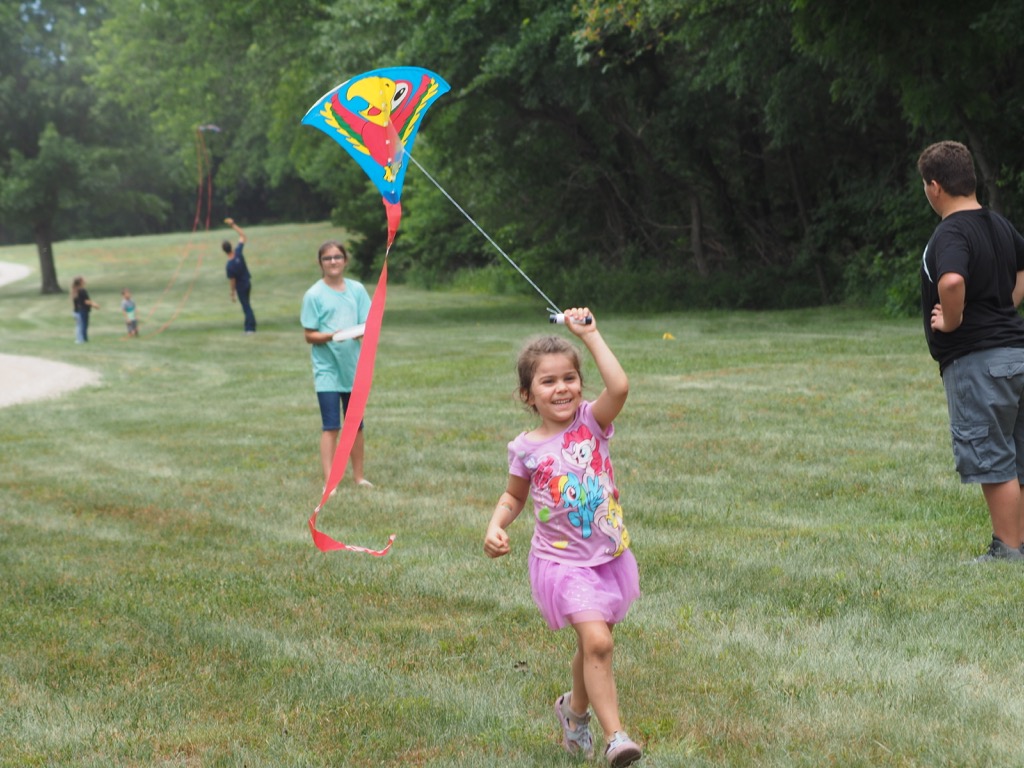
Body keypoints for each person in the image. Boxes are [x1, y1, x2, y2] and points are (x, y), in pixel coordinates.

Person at [484, 308, 642, 767]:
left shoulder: (591, 422)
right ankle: (616, 737)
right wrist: (496, 524)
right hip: (562, 563)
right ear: (527, 394)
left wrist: (590, 335)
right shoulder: (526, 448)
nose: (562, 389)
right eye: (548, 382)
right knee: (598, 643)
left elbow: (620, 387)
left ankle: (573, 712)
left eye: (569, 378)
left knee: (592, 644)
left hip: (608, 555)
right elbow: (513, 497)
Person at [919, 140, 1024, 563]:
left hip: (978, 362)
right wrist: (1005, 305)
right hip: (1017, 353)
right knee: (1018, 455)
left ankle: (1007, 548)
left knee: (992, 457)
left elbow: (952, 282)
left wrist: (954, 320)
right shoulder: (998, 225)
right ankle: (1019, 543)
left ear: (935, 186)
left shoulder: (951, 231)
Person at [300, 240, 373, 488]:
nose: (333, 262)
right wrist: (333, 335)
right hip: (327, 370)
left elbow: (368, 325)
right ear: (320, 263)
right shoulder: (314, 295)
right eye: (328, 258)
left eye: (337, 257)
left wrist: (359, 332)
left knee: (356, 426)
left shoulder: (357, 290)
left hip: (353, 369)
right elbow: (309, 334)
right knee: (331, 425)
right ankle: (330, 481)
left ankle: (359, 477)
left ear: (345, 260)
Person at [223, 217, 256, 334]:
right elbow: (243, 236)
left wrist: (232, 293)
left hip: (241, 287)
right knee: (247, 305)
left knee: (246, 306)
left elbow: (232, 281)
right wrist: (233, 225)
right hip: (247, 282)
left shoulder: (229, 265)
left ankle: (250, 328)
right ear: (231, 247)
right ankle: (248, 327)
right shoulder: (238, 252)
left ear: (224, 251)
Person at [70, 276, 100, 343]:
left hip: (76, 311)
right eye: (83, 280)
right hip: (82, 311)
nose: (85, 281)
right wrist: (95, 305)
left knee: (79, 326)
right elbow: (86, 301)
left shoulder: (75, 291)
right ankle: (83, 339)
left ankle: (79, 339)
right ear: (80, 282)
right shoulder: (82, 290)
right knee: (83, 325)